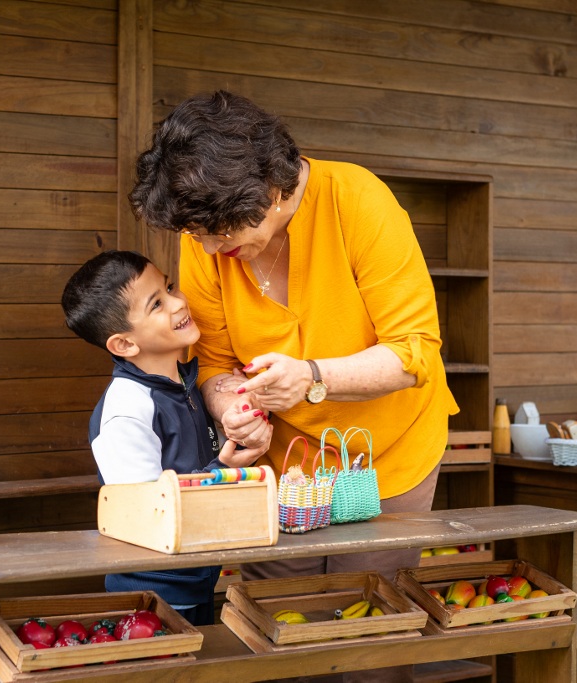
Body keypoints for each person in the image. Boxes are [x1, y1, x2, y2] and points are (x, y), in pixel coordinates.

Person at [130, 91, 459, 680]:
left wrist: (313, 378)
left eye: (218, 233)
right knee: (276, 627)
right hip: (286, 464)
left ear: (273, 192)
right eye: (198, 236)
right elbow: (213, 363)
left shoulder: (357, 201)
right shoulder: (206, 229)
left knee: (371, 628)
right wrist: (233, 409)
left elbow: (415, 356)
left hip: (388, 453)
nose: (206, 250)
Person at [61, 249, 271, 626]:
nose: (178, 302)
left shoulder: (185, 385)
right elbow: (149, 513)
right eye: (157, 304)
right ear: (124, 344)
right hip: (155, 596)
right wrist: (224, 467)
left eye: (170, 288)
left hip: (197, 577)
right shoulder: (127, 407)